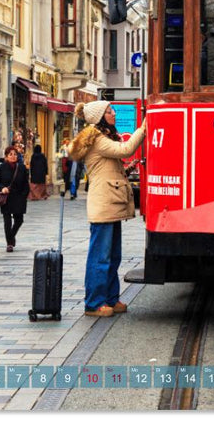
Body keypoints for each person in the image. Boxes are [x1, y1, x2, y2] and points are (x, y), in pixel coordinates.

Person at [68, 100, 147, 318]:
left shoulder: (104, 137)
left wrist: (126, 169)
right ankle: (94, 303)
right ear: (101, 117)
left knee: (113, 256)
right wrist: (144, 127)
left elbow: (112, 165)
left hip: (111, 204)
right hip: (103, 206)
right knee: (100, 257)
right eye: (110, 111)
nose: (113, 113)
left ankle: (111, 298)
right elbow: (126, 149)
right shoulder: (97, 139)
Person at [0, 142, 29, 251]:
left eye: (15, 154)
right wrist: (2, 188)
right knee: (7, 220)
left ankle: (11, 236)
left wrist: (24, 195)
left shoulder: (22, 168)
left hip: (19, 196)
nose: (13, 156)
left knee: (19, 220)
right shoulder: (1, 168)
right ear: (6, 157)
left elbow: (26, 182)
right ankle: (9, 243)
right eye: (10, 154)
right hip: (7, 197)